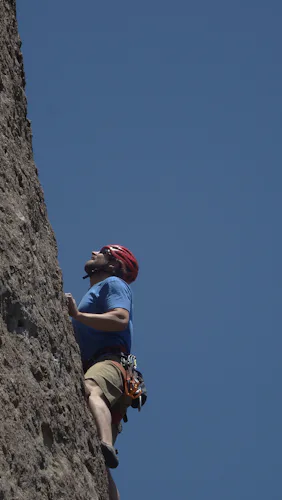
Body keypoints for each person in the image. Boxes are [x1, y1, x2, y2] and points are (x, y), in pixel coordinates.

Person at [65, 244, 139, 500]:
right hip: (115, 380)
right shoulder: (97, 291)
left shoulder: (114, 284)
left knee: (91, 389)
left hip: (110, 363)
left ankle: (106, 443)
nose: (94, 252)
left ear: (113, 264)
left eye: (103, 251)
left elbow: (120, 318)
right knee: (99, 465)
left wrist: (77, 314)